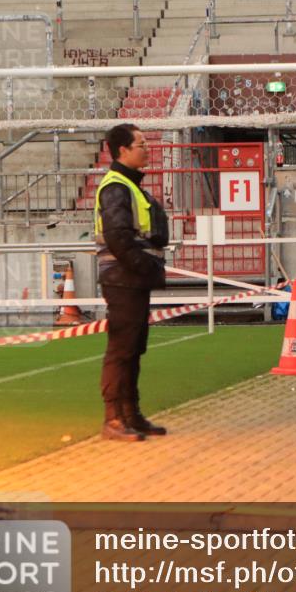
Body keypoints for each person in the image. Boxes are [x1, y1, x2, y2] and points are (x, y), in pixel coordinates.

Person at [95, 123, 170, 441]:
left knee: (133, 349)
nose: (147, 148)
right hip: (124, 278)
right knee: (121, 350)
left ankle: (131, 414)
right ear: (123, 150)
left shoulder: (130, 185)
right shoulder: (116, 187)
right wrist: (143, 266)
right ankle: (114, 419)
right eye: (141, 143)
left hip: (132, 279)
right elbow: (118, 237)